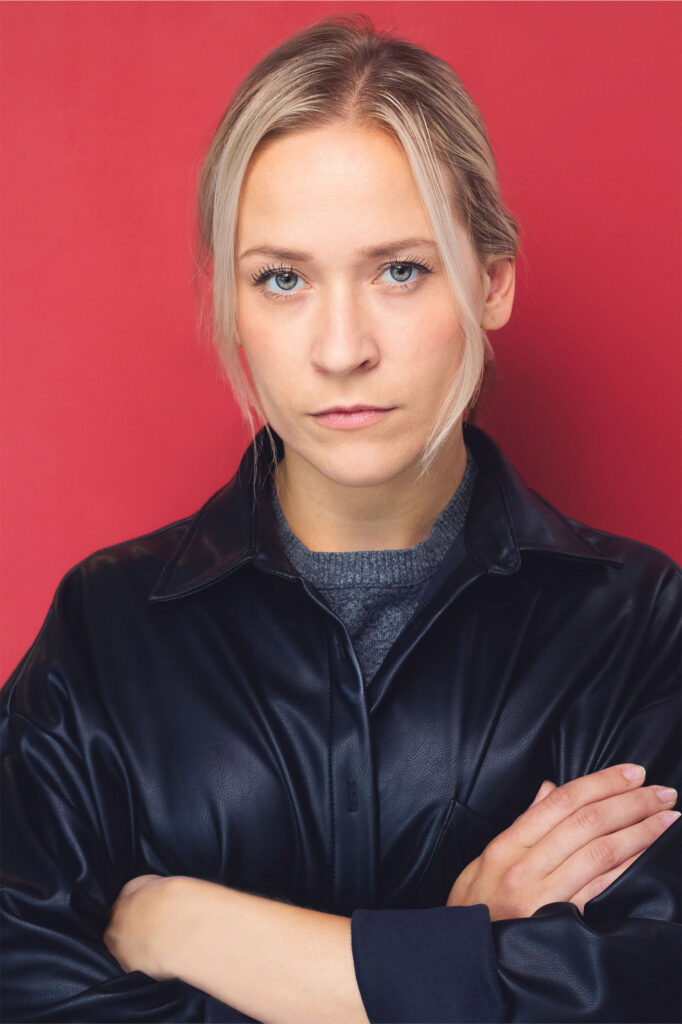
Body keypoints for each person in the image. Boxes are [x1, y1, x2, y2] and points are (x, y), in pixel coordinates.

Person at [2, 13, 680, 1023]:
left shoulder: (636, 626)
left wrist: (196, 929)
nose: (340, 347)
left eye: (398, 269)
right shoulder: (105, 628)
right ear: (231, 303)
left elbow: (639, 993)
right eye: (283, 277)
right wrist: (452, 951)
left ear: (490, 280)